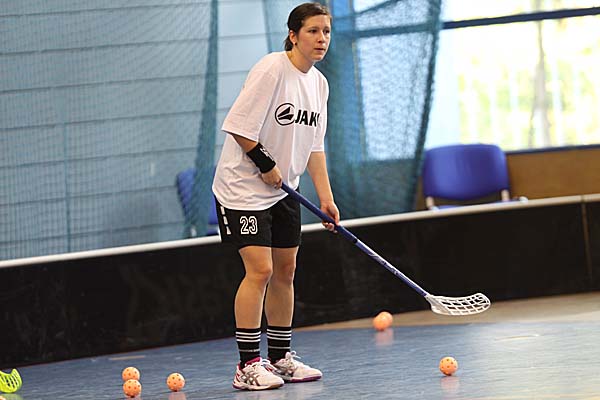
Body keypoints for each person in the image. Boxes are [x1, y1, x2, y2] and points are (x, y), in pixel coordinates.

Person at [212, 2, 339, 392]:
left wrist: (326, 199)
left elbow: (314, 147)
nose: (321, 39)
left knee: (286, 270)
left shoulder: (319, 84)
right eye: (313, 31)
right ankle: (248, 364)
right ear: (293, 35)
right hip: (242, 189)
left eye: (326, 31)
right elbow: (238, 126)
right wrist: (265, 163)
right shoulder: (271, 69)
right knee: (261, 271)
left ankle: (281, 358)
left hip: (286, 190)